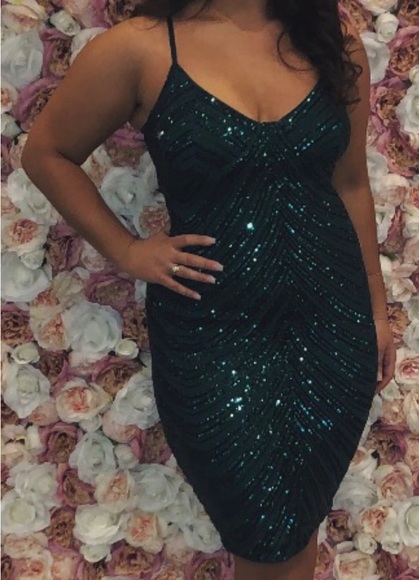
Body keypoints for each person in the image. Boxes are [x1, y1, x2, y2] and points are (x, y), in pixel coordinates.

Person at [21, 0, 396, 578]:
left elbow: (350, 183)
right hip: (214, 339)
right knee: (263, 533)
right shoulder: (140, 47)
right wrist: (126, 250)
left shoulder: (331, 46)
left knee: (299, 523)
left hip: (331, 331)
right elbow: (47, 153)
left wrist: (376, 310)